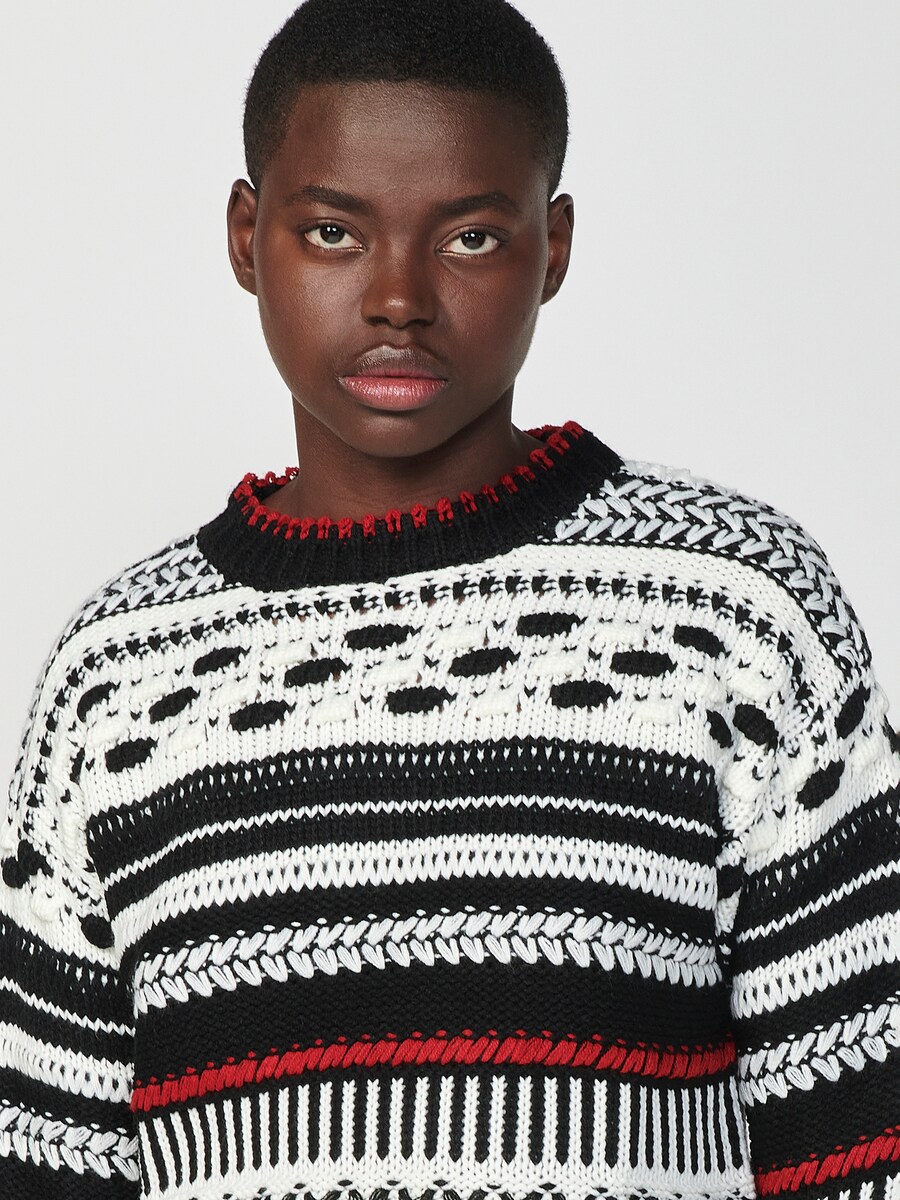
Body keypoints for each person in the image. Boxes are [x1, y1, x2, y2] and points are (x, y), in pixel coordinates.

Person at [1, 0, 897, 1196]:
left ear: (553, 246)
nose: (398, 299)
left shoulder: (738, 612)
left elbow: (865, 1135)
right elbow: (52, 1161)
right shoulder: (115, 675)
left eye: (470, 238)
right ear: (247, 237)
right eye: (333, 232)